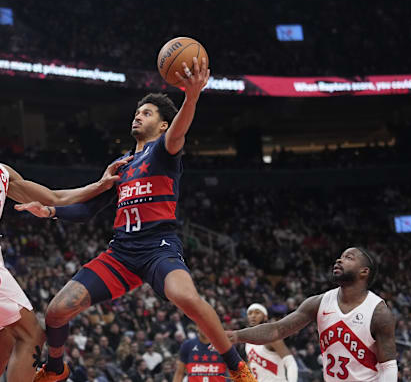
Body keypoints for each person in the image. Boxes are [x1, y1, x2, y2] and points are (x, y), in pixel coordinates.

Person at [20, 58, 254, 382]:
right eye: (137, 111)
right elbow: (88, 209)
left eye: (147, 113)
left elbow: (180, 130)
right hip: (122, 253)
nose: (138, 115)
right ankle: (56, 367)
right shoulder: (121, 164)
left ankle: (236, 365)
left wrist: (192, 97)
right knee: (57, 310)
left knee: (186, 297)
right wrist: (51, 211)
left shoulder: (163, 150)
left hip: (159, 248)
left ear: (161, 125)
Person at [0, 0, 131, 382]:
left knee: (2, 347)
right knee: (33, 335)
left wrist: (102, 183)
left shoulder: (2, 172)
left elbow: (55, 198)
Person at [227, 247, 398, 382]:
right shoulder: (318, 302)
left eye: (349, 258)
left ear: (364, 272)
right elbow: (277, 330)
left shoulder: (379, 313)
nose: (339, 260)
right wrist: (236, 335)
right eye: (341, 256)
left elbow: (388, 367)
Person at [243, 304, 298, 382]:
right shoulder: (247, 342)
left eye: (257, 313)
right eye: (250, 313)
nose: (253, 316)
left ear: (265, 317)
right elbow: (252, 365)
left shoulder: (271, 337)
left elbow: (291, 363)